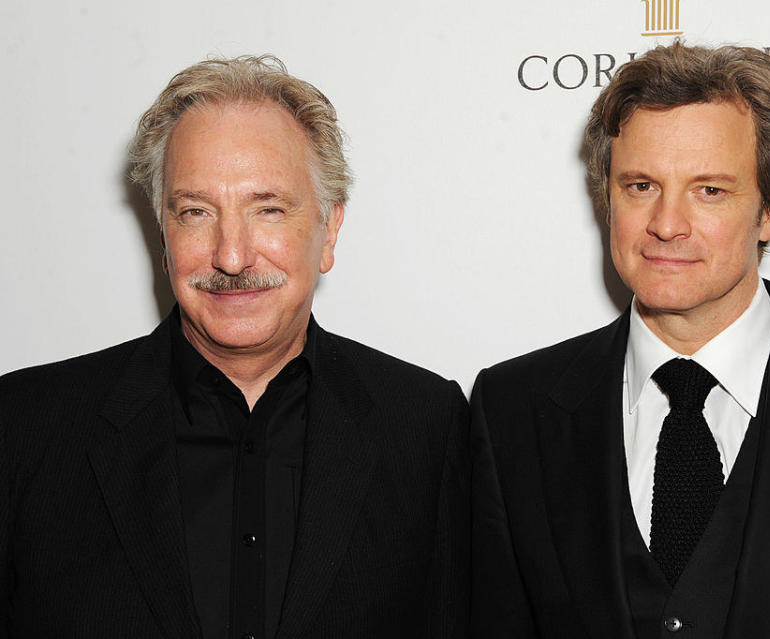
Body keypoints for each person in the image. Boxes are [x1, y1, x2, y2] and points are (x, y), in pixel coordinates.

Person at [470, 41, 770, 638]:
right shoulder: (511, 407)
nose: (667, 224)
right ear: (608, 198)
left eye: (710, 191)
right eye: (641, 185)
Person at [0, 55, 468, 639]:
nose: (231, 255)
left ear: (330, 229)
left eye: (267, 209)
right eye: (195, 212)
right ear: (163, 232)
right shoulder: (22, 427)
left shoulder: (425, 424)